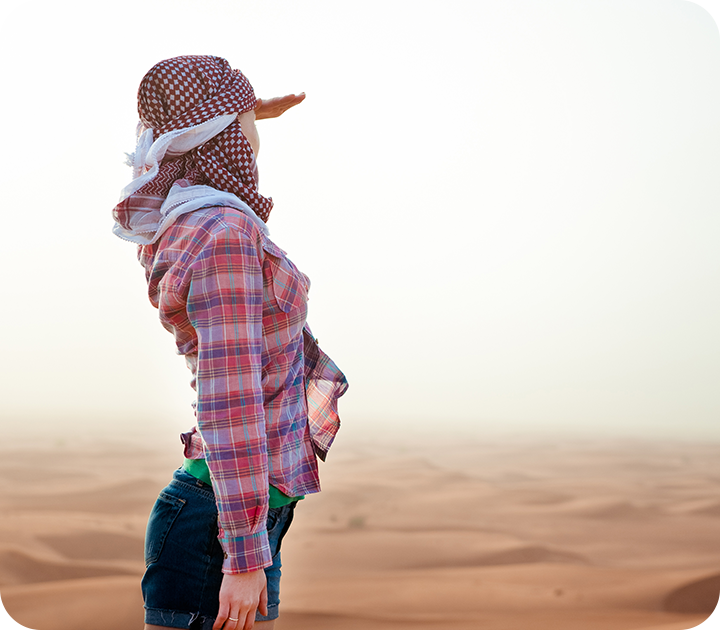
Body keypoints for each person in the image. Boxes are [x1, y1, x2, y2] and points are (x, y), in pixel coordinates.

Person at [112, 55, 348, 630]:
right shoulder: (225, 233)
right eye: (247, 123)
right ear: (222, 135)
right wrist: (244, 557)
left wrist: (237, 111)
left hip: (240, 518)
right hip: (220, 530)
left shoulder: (190, 218)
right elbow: (230, 398)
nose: (257, 138)